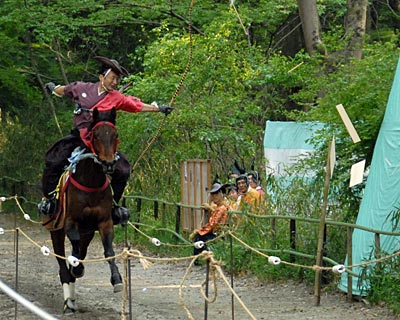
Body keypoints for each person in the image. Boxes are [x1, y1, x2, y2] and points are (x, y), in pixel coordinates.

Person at [38, 56, 173, 224]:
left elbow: (135, 105)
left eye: (118, 79)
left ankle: (114, 205)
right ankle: (49, 201)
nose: (116, 82)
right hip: (79, 136)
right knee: (54, 159)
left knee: (123, 169)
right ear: (102, 77)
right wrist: (53, 88)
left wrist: (158, 109)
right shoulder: (82, 88)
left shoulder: (116, 97)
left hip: (103, 141)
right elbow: (63, 90)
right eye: (113, 78)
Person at [189, 183, 229, 263]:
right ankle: (200, 259)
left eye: (217, 194)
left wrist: (200, 231)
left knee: (199, 237)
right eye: (213, 194)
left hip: (219, 233)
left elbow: (213, 224)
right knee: (199, 236)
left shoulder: (222, 208)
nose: (214, 196)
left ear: (222, 194)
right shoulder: (219, 207)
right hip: (216, 231)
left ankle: (198, 260)